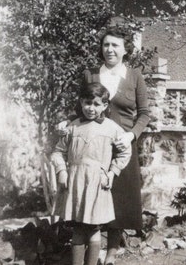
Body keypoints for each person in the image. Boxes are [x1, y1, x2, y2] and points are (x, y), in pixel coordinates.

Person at [58, 28, 150, 265]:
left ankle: (110, 255)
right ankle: (90, 253)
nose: (110, 50)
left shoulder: (135, 76)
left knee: (119, 201)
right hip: (93, 148)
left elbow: (144, 114)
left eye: (115, 45)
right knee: (92, 197)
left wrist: (131, 136)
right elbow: (81, 107)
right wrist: (67, 122)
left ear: (126, 50)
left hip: (121, 146)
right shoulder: (90, 75)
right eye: (106, 45)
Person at [51, 82, 132, 265]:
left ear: (105, 105)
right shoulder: (72, 126)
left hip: (97, 183)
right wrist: (62, 171)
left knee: (94, 228)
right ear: (81, 102)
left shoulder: (112, 128)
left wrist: (112, 173)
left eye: (96, 104)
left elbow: (125, 152)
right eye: (88, 103)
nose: (91, 108)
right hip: (75, 182)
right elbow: (57, 151)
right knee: (78, 229)